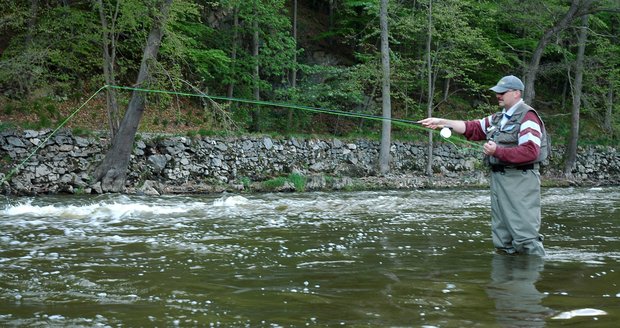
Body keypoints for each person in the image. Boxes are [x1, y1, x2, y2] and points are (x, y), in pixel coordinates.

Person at [419, 75, 549, 256]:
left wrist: (497, 151)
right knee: (503, 239)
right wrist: (441, 122)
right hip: (499, 180)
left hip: (520, 180)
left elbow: (531, 151)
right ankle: (505, 281)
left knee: (525, 237)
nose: (498, 95)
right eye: (497, 92)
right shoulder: (498, 118)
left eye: (502, 92)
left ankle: (529, 279)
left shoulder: (528, 117)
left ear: (517, 93)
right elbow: (472, 128)